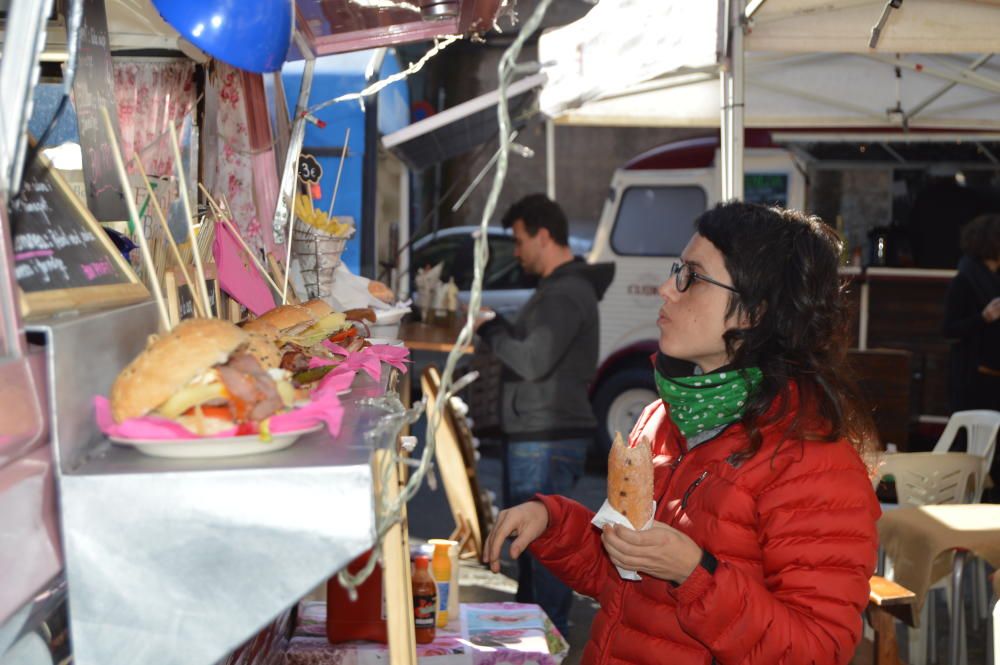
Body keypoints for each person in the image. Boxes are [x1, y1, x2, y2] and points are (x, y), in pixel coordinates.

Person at [484, 202, 881, 664]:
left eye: (692, 276)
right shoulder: (662, 417)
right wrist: (552, 523)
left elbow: (816, 651)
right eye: (678, 270)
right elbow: (623, 579)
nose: (666, 289)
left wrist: (693, 574)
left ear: (755, 311)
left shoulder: (812, 460)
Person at [474, 193, 613, 636]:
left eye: (519, 240)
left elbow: (533, 361)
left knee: (546, 555)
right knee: (535, 557)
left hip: (547, 439)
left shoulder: (566, 292)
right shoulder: (560, 289)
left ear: (544, 236)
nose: (515, 251)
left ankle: (546, 643)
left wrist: (490, 330)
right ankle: (531, 642)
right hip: (541, 435)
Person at [942, 213, 1000, 413]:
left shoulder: (995, 279)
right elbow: (949, 329)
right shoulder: (965, 280)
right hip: (975, 377)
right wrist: (984, 317)